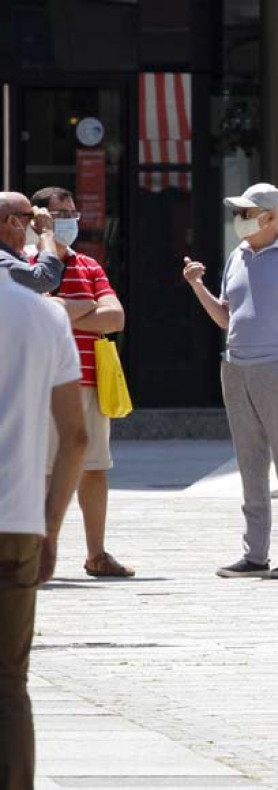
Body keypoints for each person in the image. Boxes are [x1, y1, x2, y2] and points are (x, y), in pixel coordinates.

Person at [183, 183, 278, 580]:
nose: (240, 219)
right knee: (249, 466)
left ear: (271, 216)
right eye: (239, 212)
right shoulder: (237, 256)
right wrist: (196, 285)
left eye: (247, 212)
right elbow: (224, 317)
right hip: (236, 369)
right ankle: (255, 555)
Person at [0, 264, 87, 787]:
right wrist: (51, 525)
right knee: (8, 684)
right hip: (16, 521)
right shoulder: (44, 315)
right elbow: (75, 438)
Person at [31, 187, 134, 578]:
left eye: (73, 212)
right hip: (40, 384)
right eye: (61, 213)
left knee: (94, 467)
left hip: (89, 381)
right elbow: (32, 309)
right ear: (40, 217)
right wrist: (85, 308)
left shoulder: (88, 265)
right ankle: (36, 552)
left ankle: (97, 554)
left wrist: (61, 310)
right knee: (40, 470)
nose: (71, 220)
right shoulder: (24, 263)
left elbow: (116, 318)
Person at [0, 191, 63, 293]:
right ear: (13, 221)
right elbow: (47, 277)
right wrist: (46, 233)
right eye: (30, 217)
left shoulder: (13, 256)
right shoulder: (3, 262)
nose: (33, 223)